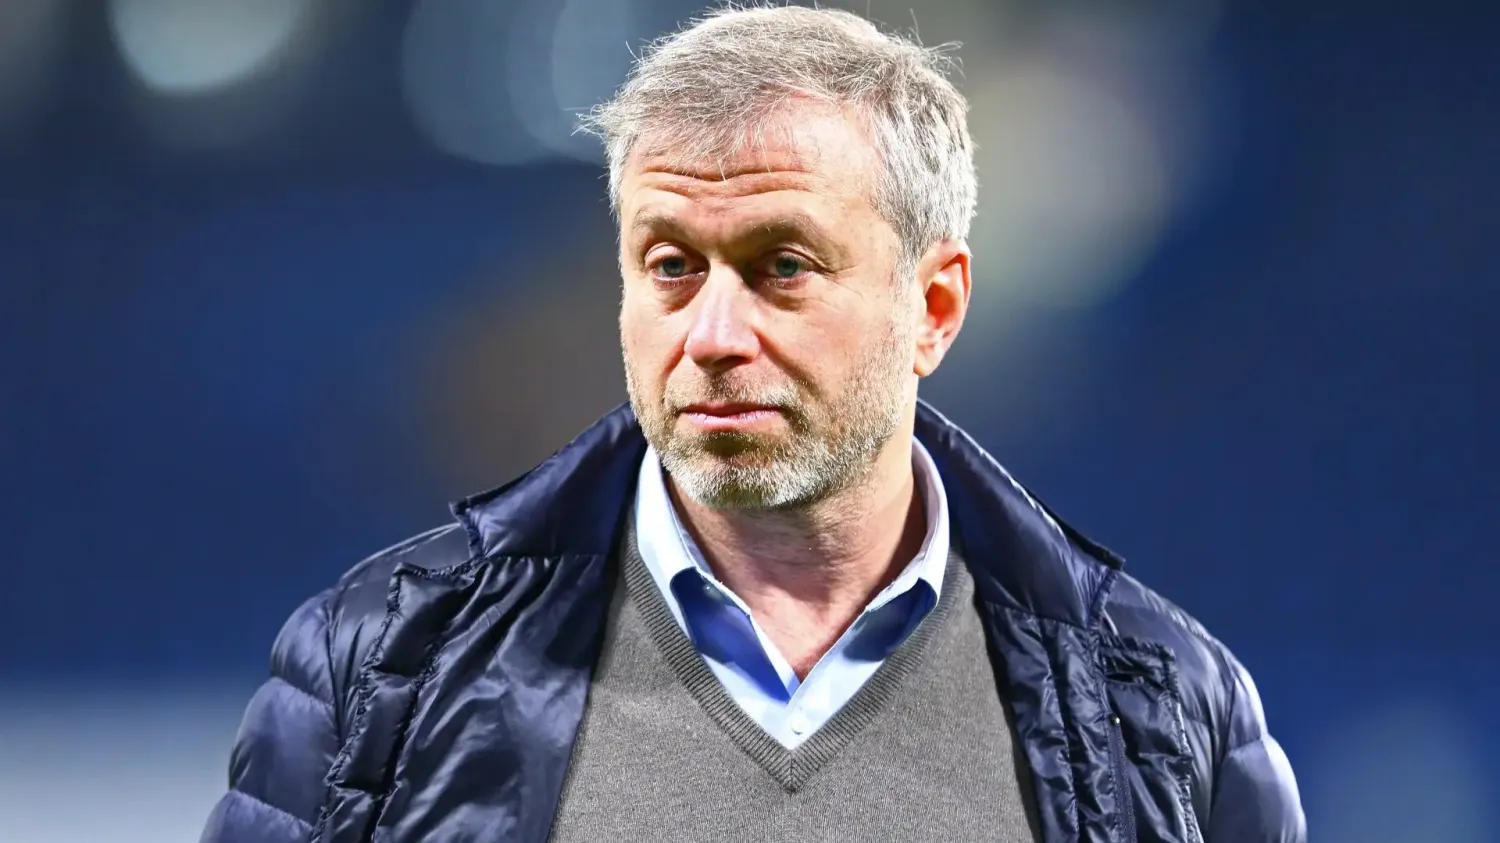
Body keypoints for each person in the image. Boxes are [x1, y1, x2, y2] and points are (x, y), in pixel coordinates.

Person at [200, 6, 1305, 842]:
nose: (716, 336)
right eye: (670, 268)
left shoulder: (1155, 696)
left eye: (782, 267)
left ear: (933, 308)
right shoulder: (376, 677)